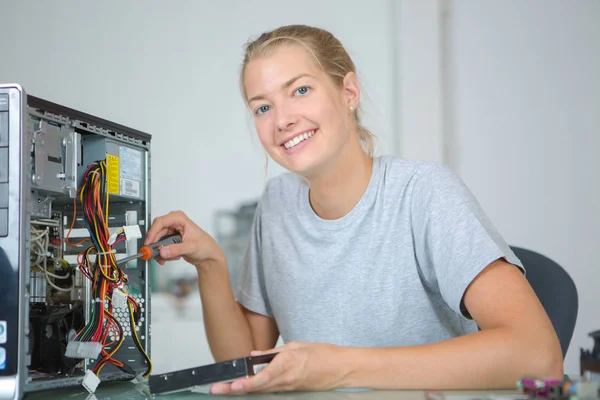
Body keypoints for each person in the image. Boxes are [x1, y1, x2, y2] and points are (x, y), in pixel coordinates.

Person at [145, 24, 563, 394]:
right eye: (263, 107)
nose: (283, 119)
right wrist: (212, 263)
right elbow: (244, 362)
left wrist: (338, 367)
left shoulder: (423, 192)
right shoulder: (275, 205)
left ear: (348, 92)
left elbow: (538, 355)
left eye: (300, 90)